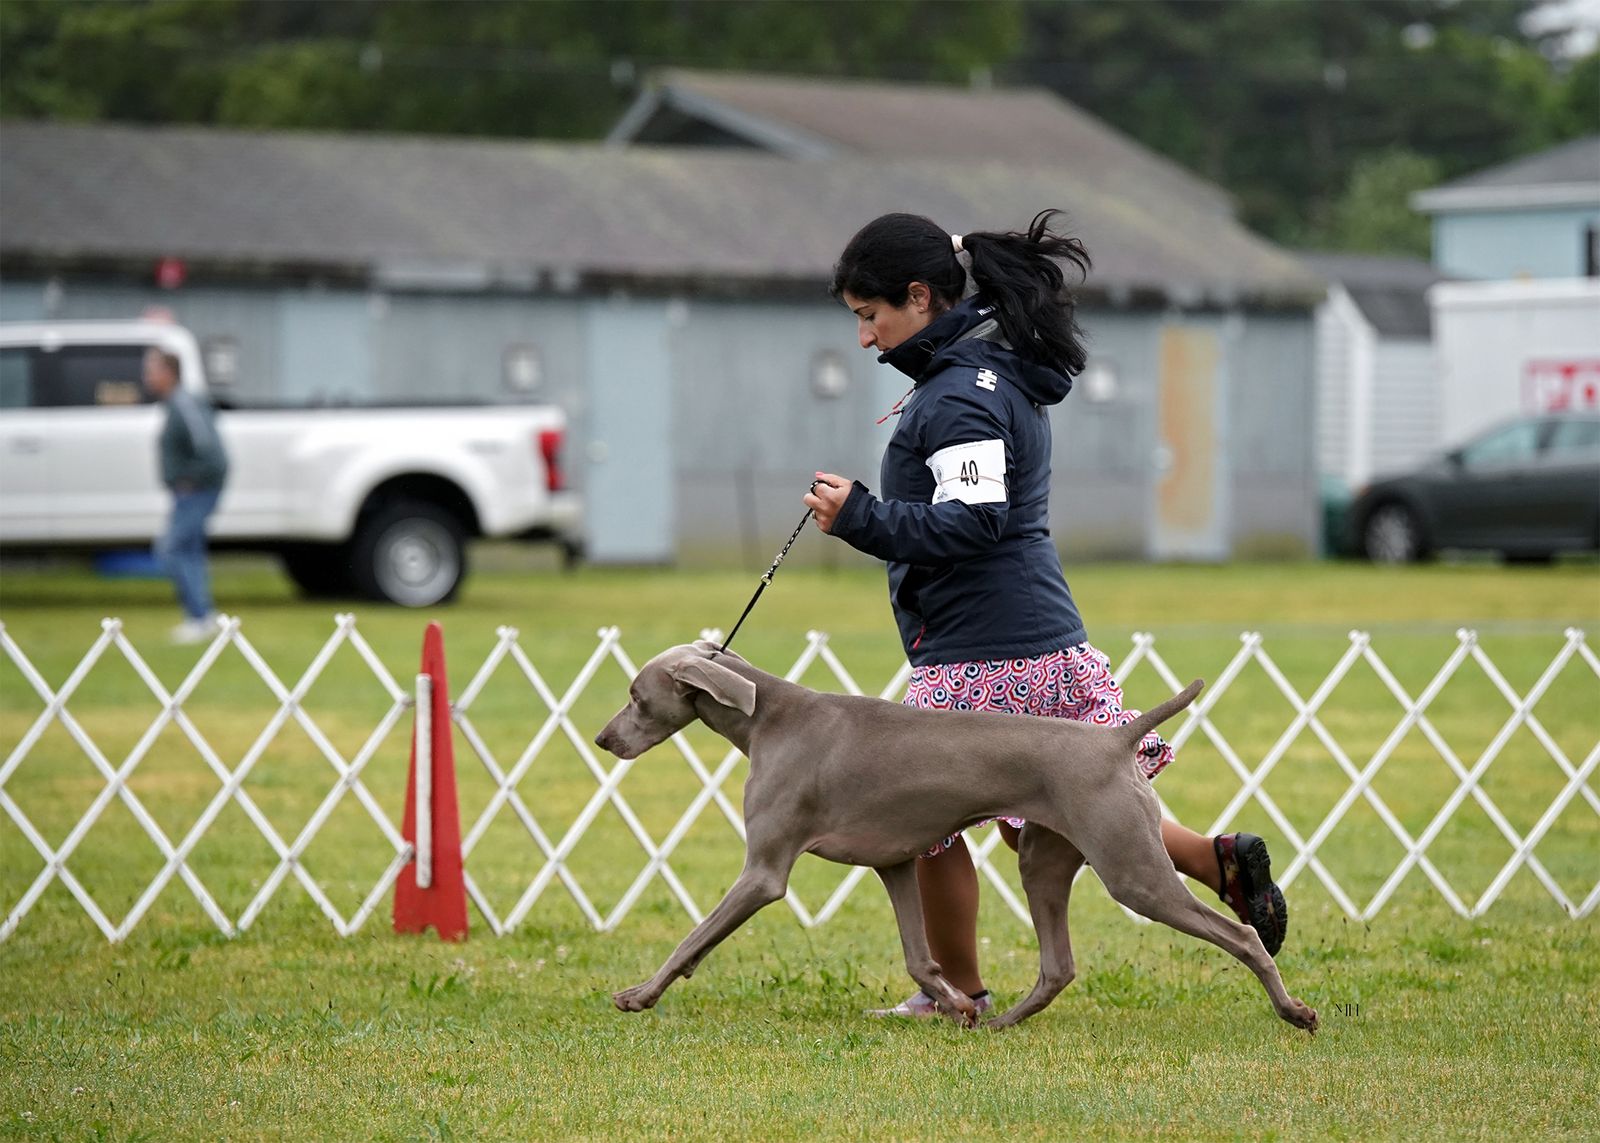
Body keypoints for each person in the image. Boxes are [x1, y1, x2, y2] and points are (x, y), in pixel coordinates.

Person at [803, 211, 1287, 1019]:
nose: (863, 337)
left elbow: (975, 522)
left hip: (982, 652)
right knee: (1060, 806)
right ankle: (1214, 860)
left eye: (869, 314)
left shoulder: (958, 395)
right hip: (1036, 636)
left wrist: (861, 515)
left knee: (923, 819)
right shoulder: (991, 374)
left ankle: (954, 992)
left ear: (919, 296)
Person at [141, 348, 229, 644]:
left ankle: (200, 616)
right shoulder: (173, 404)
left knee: (172, 548)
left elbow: (208, 449)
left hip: (197, 490)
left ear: (168, 373)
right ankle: (201, 616)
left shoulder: (184, 403)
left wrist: (192, 480)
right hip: (185, 492)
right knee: (190, 550)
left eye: (152, 371)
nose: (147, 378)